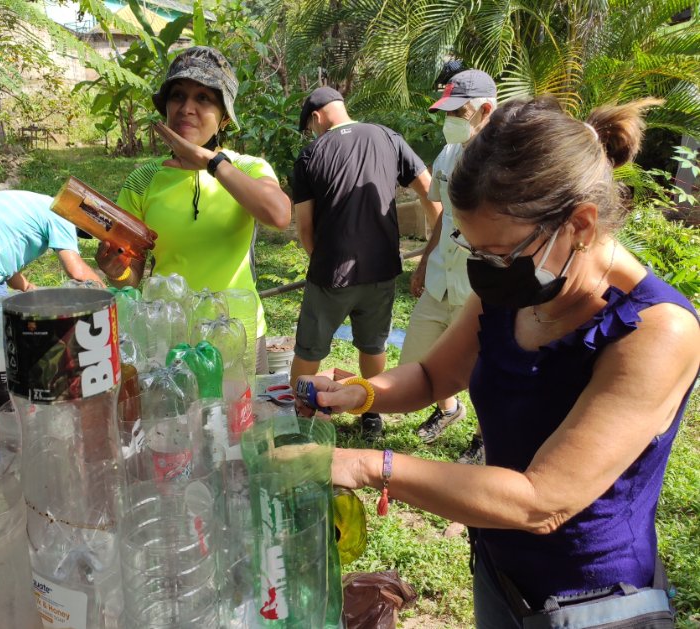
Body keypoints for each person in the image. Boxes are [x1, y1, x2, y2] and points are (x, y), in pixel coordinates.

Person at [301, 97, 699, 627]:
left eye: (502, 255)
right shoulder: (515, 287)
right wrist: (364, 393)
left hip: (595, 601)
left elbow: (541, 501)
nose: (486, 272)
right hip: (501, 569)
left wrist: (370, 464)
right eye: (476, 251)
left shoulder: (657, 329)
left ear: (579, 225)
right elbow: (434, 375)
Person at [96, 46, 291, 373]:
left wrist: (210, 162)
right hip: (169, 335)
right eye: (178, 96)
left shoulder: (247, 168)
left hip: (236, 332)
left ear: (225, 116)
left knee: (239, 423)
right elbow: (131, 276)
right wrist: (116, 270)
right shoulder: (144, 180)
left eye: (204, 98)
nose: (187, 108)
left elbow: (279, 215)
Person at [289, 86, 440, 438]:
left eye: (310, 126)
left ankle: (303, 412)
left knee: (310, 346)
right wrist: (437, 246)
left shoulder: (311, 154)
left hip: (331, 274)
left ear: (316, 118)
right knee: (373, 344)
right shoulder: (388, 137)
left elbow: (305, 228)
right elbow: (428, 190)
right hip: (383, 269)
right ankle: (370, 413)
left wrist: (324, 261)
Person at [401, 69, 497, 464]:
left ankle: (484, 439)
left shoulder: (508, 161)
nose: (452, 120)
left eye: (461, 112)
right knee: (416, 361)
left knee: (485, 372)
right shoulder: (448, 153)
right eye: (449, 112)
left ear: (486, 110)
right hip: (441, 276)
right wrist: (424, 263)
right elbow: (444, 215)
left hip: (482, 288)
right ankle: (447, 409)